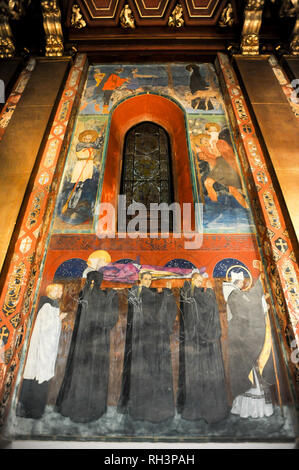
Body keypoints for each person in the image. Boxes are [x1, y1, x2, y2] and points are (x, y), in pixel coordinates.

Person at [56, 271, 119, 423]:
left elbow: (108, 318)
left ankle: (89, 408)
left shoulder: (91, 294)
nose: (92, 283)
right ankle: (81, 408)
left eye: (94, 281)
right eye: (91, 281)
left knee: (90, 372)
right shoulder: (90, 294)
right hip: (89, 342)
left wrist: (110, 297)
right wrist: (110, 297)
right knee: (84, 372)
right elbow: (104, 317)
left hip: (92, 342)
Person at [118, 272, 177, 423]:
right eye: (146, 279)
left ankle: (154, 406)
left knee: (153, 369)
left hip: (155, 338)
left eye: (150, 279)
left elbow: (161, 308)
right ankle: (139, 408)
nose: (148, 281)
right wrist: (166, 294)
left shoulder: (152, 294)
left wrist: (168, 293)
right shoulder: (136, 292)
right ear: (140, 279)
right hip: (140, 338)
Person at [177, 273, 229, 423]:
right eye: (197, 280)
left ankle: (206, 408)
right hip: (197, 341)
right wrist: (211, 292)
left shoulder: (191, 293)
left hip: (198, 341)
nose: (200, 283)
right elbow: (205, 307)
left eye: (201, 281)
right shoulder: (191, 292)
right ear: (192, 280)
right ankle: (201, 409)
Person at [223, 269, 274, 418]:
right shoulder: (234, 295)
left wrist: (262, 303)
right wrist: (259, 284)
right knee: (249, 373)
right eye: (240, 282)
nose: (242, 284)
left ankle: (250, 409)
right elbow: (249, 308)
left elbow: (251, 305)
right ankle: (250, 409)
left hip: (243, 338)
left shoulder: (236, 293)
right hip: (243, 340)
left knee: (253, 371)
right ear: (236, 282)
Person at [17, 283, 67, 419]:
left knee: (40, 375)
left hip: (47, 348)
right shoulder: (47, 305)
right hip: (42, 348)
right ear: (53, 291)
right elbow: (45, 327)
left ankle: (34, 410)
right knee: (37, 375)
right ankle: (32, 411)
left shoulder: (53, 305)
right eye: (59, 290)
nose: (61, 293)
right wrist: (59, 319)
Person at [191, 129, 248, 209]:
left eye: (206, 139)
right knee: (208, 183)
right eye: (203, 141)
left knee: (232, 189)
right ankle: (215, 204)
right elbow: (197, 150)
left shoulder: (217, 144)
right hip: (220, 165)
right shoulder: (204, 148)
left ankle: (246, 206)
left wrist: (207, 156)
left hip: (224, 165)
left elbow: (217, 155)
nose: (206, 141)